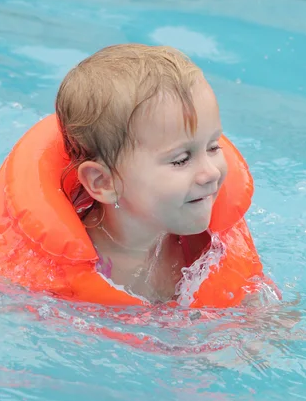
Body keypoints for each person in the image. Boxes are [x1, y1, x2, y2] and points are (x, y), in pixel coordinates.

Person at [54, 43, 252, 304]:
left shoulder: (211, 244)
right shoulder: (69, 275)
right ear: (104, 182)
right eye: (181, 160)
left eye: (213, 146)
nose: (211, 173)